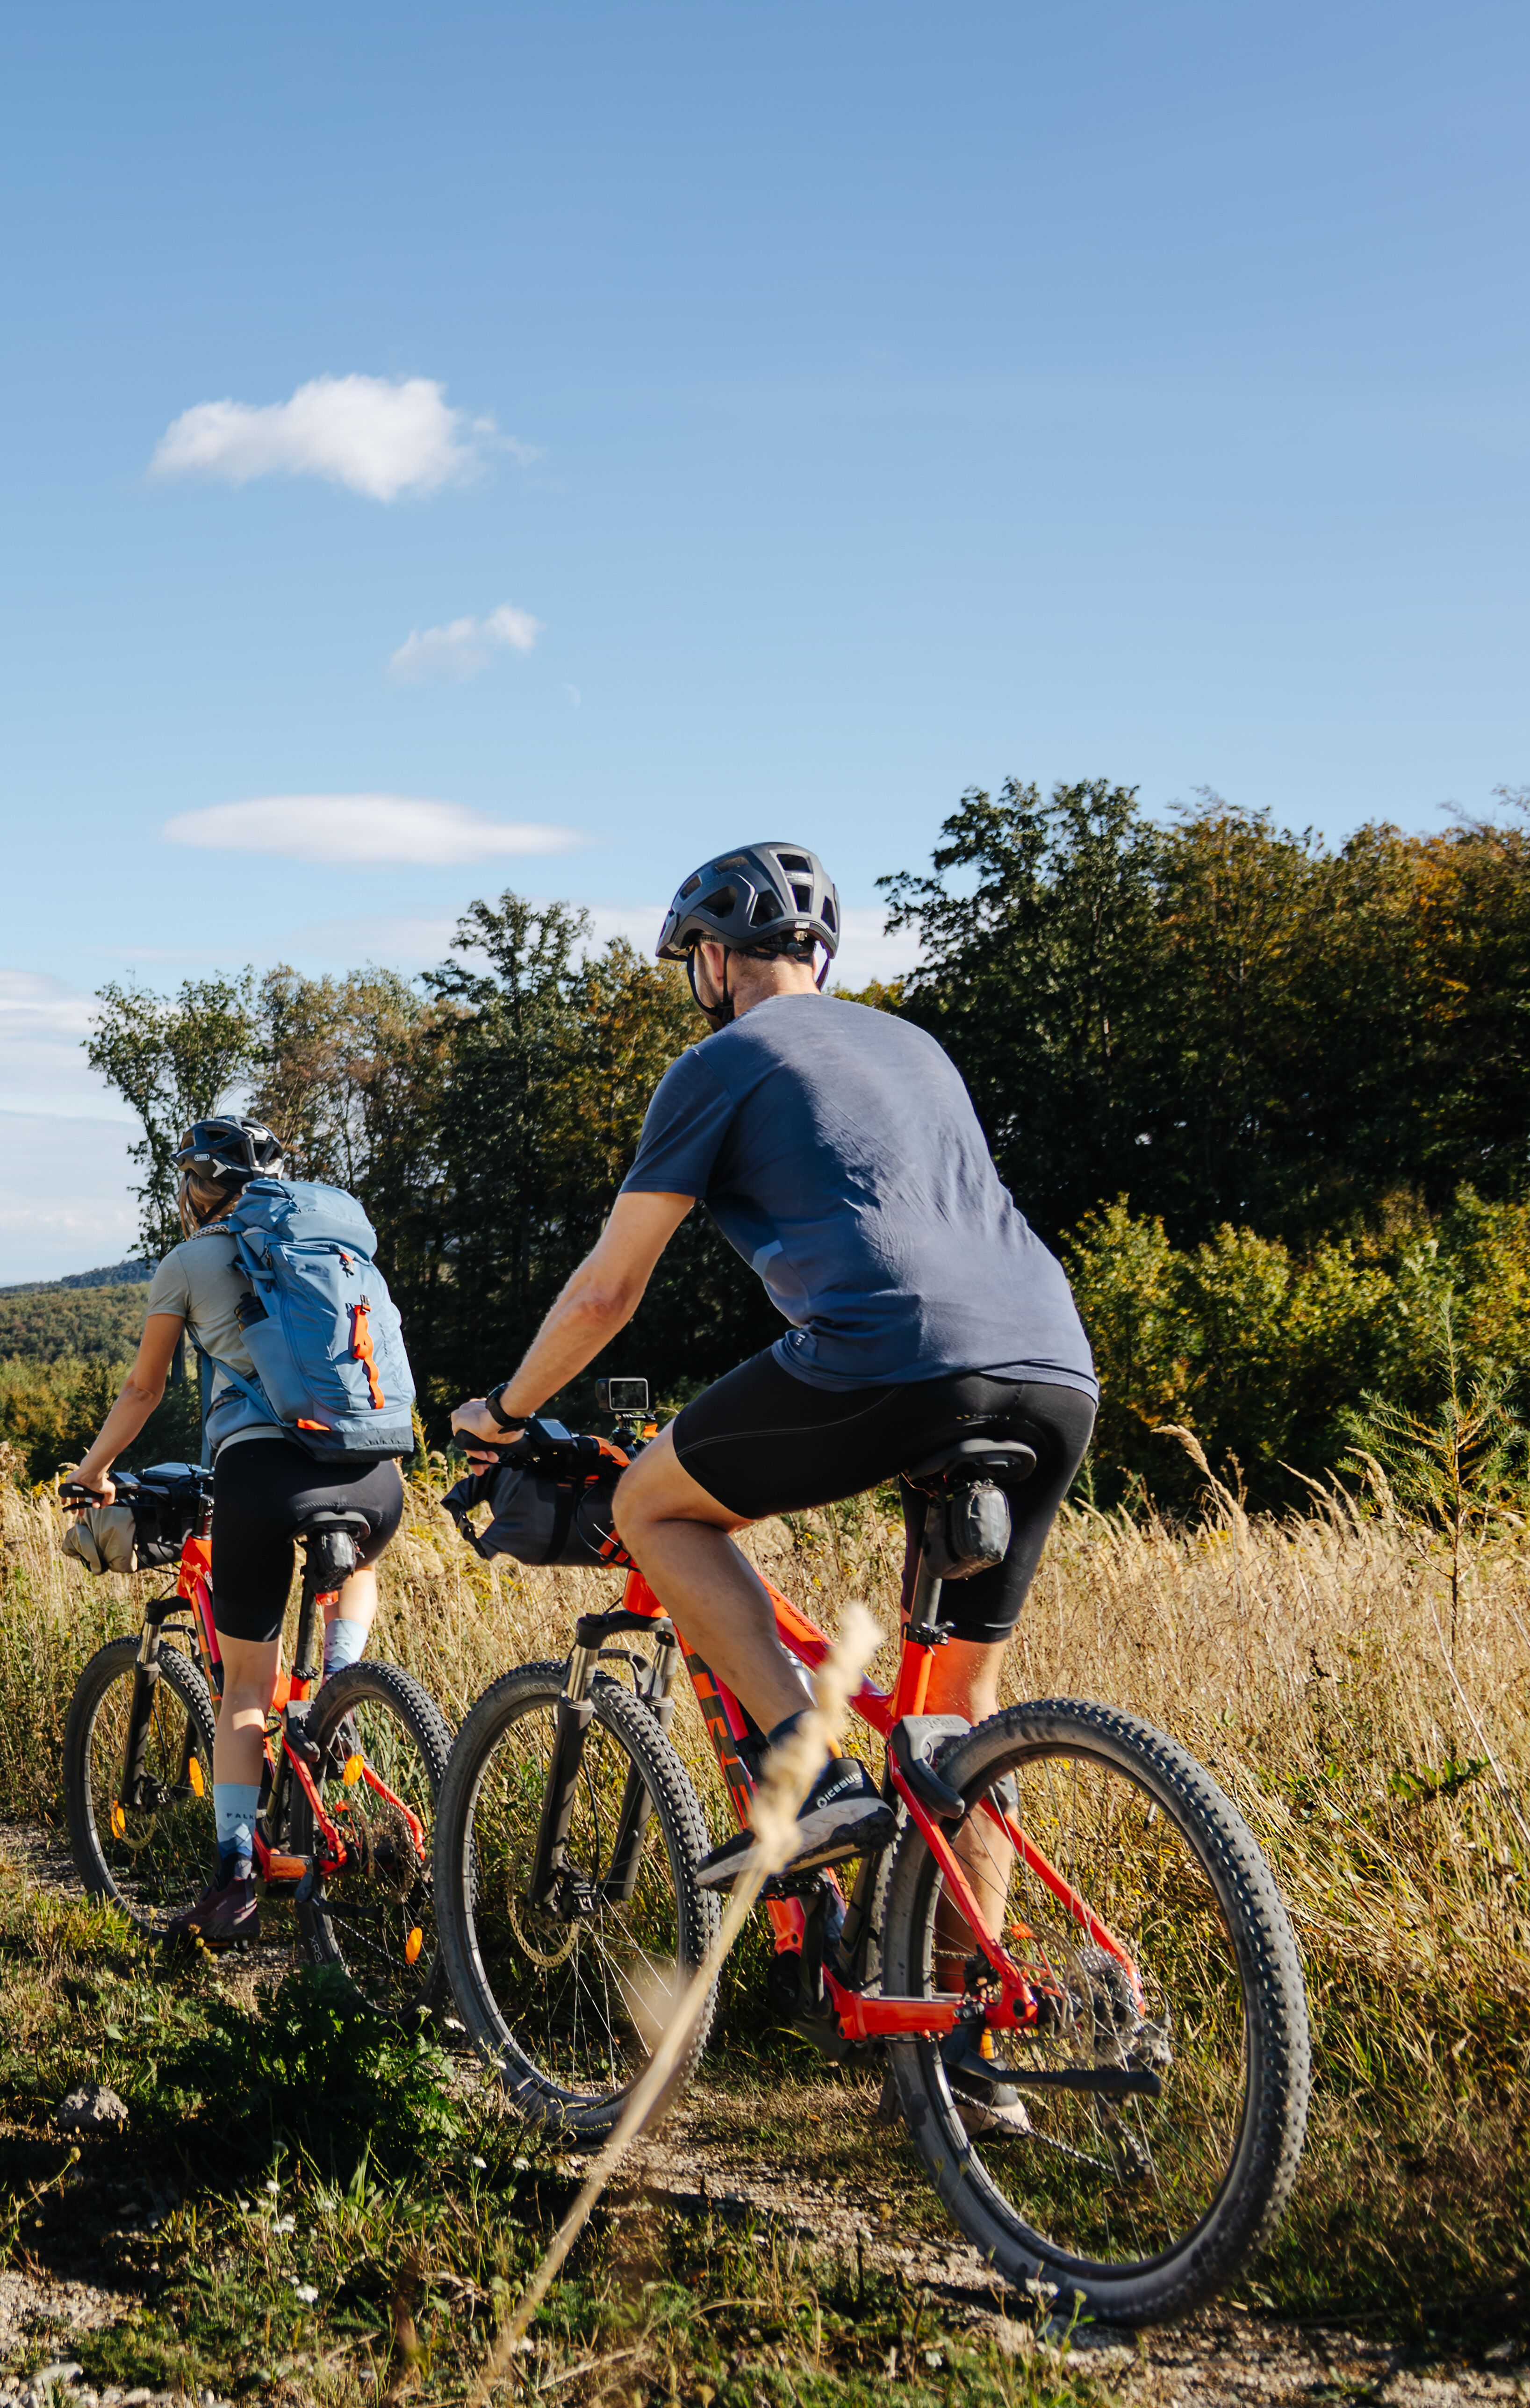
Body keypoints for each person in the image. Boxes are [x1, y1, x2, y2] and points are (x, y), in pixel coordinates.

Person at [449, 843, 1095, 2123]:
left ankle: (813, 1781)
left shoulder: (721, 1061)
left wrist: (508, 1410)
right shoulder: (916, 1051)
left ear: (709, 959)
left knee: (655, 1504)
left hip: (891, 1354)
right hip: (1053, 1368)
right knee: (952, 1718)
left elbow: (608, 1288)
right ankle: (959, 2057)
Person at [65, 1116, 406, 1944]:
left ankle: (235, 1880)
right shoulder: (335, 1244)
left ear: (195, 1189)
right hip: (377, 1472)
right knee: (351, 1559)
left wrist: (91, 1470)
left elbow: (145, 1391)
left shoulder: (190, 1259)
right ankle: (340, 1687)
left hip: (263, 1476)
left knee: (247, 1688)